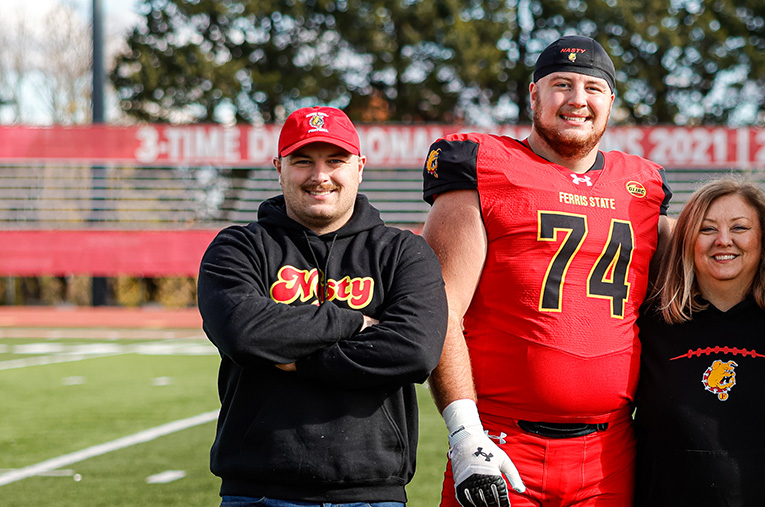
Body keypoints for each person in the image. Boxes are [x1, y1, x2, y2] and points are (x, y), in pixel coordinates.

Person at [421, 35, 673, 507]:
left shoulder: (643, 183)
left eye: (593, 89)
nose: (578, 100)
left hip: (610, 452)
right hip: (502, 443)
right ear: (534, 95)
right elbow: (442, 310)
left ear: (611, 102)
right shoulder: (485, 165)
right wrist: (465, 434)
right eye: (562, 85)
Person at [197, 106, 448, 506]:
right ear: (279, 167)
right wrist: (353, 322)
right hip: (258, 492)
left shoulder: (403, 252)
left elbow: (414, 351)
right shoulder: (238, 247)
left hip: (371, 495)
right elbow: (242, 332)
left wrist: (299, 359)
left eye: (335, 161)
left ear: (360, 167)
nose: (320, 177)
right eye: (303, 162)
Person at [634, 178, 765, 507]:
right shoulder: (647, 323)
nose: (724, 241)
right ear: (687, 239)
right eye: (707, 229)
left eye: (740, 227)